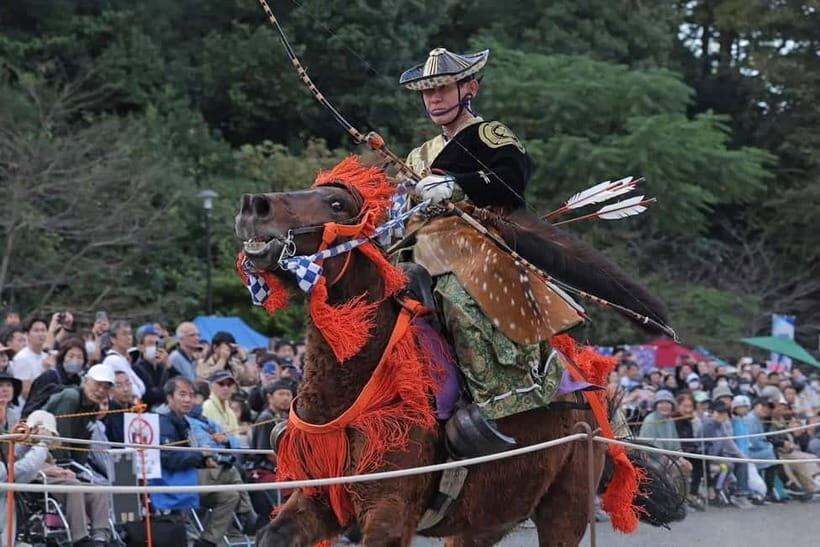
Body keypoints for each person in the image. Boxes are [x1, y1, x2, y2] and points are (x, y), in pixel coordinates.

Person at [399, 48, 563, 455]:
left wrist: (456, 183)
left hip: (477, 247)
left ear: (468, 87)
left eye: (441, 88)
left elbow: (511, 180)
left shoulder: (490, 134)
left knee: (457, 300)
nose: (433, 99)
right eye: (427, 92)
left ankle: (494, 401)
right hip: (418, 250)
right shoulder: (417, 155)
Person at [152, 377, 242, 547]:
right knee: (230, 473)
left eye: (191, 395)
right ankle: (250, 516)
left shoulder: (185, 421)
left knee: (230, 495)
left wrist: (205, 457)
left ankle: (206, 542)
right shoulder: (162, 421)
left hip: (188, 476)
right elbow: (169, 458)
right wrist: (202, 457)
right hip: (170, 480)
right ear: (169, 397)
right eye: (182, 394)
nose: (188, 400)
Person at [44, 364, 114, 465]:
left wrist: (78, 468)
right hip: (46, 456)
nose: (101, 390)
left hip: (67, 462)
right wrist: (65, 466)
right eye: (97, 384)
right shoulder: (71, 397)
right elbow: (61, 436)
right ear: (85, 381)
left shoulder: (94, 408)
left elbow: (83, 444)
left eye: (106, 388)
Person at [22, 336, 87, 418]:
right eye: (71, 356)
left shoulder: (78, 380)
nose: (75, 360)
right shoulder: (50, 376)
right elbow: (33, 406)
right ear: (63, 357)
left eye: (79, 357)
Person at [132, 324, 178, 410]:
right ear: (141, 347)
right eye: (150, 343)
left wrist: (169, 366)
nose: (155, 347)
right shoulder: (136, 369)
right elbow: (146, 395)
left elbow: (180, 384)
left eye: (157, 343)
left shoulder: (164, 368)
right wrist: (165, 393)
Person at [101, 320, 145, 399]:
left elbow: (141, 387)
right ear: (113, 339)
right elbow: (134, 391)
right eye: (124, 334)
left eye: (130, 334)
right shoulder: (114, 360)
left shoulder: (123, 359)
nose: (129, 337)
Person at [9, 317, 49, 400]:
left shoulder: (46, 357)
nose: (40, 334)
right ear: (27, 334)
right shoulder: (22, 358)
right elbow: (25, 392)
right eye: (36, 331)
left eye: (43, 330)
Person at [202, 370, 242, 438]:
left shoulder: (230, 413)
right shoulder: (206, 407)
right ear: (211, 386)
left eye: (229, 385)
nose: (226, 388)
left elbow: (237, 439)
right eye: (221, 384)